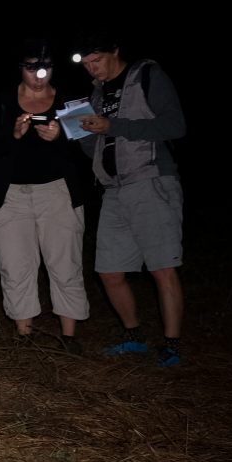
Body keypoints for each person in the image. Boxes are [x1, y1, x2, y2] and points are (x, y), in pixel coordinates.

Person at [76, 33, 186, 367]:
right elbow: (94, 146)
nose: (93, 71)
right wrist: (78, 133)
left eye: (97, 61)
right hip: (113, 189)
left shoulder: (147, 75)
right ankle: (134, 337)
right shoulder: (97, 93)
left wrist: (113, 125)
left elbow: (174, 125)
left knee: (162, 268)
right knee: (109, 271)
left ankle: (170, 345)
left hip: (151, 180)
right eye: (86, 66)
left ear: (115, 50)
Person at [0, 40, 89, 349]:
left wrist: (60, 136)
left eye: (46, 67)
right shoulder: (1, 103)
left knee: (65, 264)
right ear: (20, 68)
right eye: (31, 68)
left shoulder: (70, 102)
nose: (39, 75)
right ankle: (24, 336)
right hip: (11, 196)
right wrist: (12, 135)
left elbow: (88, 151)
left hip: (58, 194)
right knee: (15, 266)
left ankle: (69, 337)